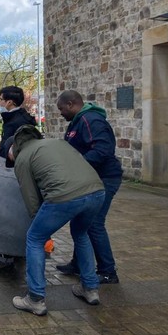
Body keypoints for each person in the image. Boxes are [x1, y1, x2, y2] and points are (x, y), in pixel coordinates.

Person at [7, 125, 105, 316]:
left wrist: (44, 231)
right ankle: (90, 289)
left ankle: (35, 298)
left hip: (65, 196)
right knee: (81, 233)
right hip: (96, 191)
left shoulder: (23, 158)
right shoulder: (56, 142)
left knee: (35, 238)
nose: (11, 161)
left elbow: (31, 199)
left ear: (13, 149)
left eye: (9, 158)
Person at [55, 90, 123, 284]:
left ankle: (108, 271)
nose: (60, 113)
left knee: (94, 224)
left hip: (105, 178)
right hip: (89, 179)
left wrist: (78, 164)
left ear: (71, 104)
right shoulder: (76, 122)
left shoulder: (91, 120)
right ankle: (79, 264)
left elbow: (103, 150)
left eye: (61, 108)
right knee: (81, 221)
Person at [0, 86, 38, 272]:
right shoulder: (22, 118)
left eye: (1, 99)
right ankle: (16, 251)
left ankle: (5, 256)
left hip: (12, 173)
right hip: (18, 173)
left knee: (5, 214)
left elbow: (16, 149)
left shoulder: (15, 121)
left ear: (9, 102)